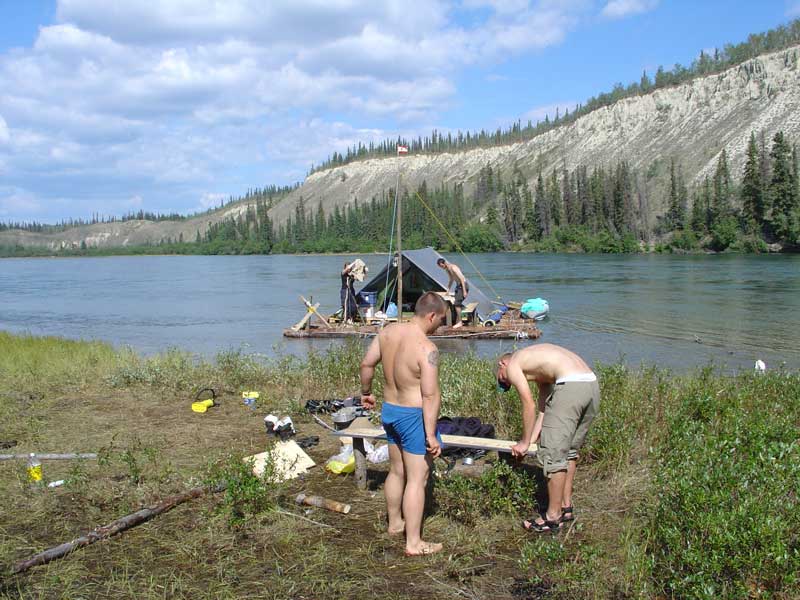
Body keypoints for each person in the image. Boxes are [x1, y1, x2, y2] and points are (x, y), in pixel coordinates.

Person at [360, 292, 448, 556]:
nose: (440, 326)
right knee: (417, 479)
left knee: (397, 471)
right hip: (412, 417)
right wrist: (430, 434)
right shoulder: (427, 348)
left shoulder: (388, 332)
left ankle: (395, 522)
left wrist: (366, 392)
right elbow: (430, 394)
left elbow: (367, 363)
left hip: (390, 410)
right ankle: (414, 543)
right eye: (441, 320)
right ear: (431, 315)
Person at [495, 343, 600, 533]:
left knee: (553, 455)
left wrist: (524, 442)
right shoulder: (541, 369)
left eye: (504, 379)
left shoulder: (513, 364)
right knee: (569, 451)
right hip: (590, 386)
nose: (508, 382)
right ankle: (565, 507)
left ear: (502, 363)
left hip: (571, 387)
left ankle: (552, 518)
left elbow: (529, 405)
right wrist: (532, 440)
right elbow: (544, 411)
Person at [436, 257, 469, 328]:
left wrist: (464, 291)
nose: (442, 268)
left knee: (457, 304)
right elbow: (451, 280)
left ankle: (460, 322)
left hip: (463, 286)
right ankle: (462, 318)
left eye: (442, 266)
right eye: (440, 267)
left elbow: (462, 279)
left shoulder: (453, 267)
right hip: (458, 286)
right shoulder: (447, 270)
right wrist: (447, 290)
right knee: (456, 303)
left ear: (444, 263)